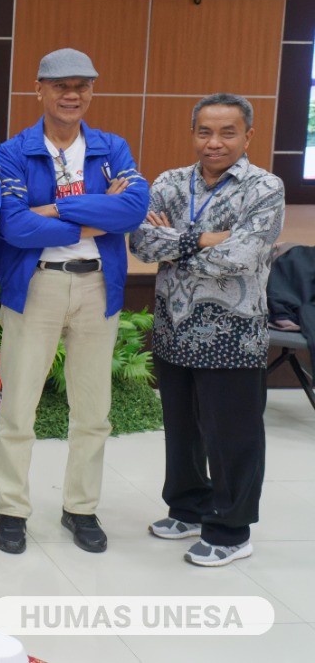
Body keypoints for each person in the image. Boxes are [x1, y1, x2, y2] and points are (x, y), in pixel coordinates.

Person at [0, 48, 148, 555]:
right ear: (39, 89)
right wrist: (96, 214)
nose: (72, 94)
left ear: (92, 91)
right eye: (61, 85)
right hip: (36, 285)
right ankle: (12, 509)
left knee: (93, 411)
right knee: (19, 407)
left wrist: (54, 209)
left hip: (97, 287)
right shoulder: (13, 152)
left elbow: (133, 209)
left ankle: (80, 507)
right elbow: (15, 225)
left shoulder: (111, 147)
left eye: (82, 85)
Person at [130, 93, 284, 567]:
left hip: (232, 333)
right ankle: (188, 508)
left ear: (248, 136)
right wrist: (205, 239)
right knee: (182, 431)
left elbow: (243, 256)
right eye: (205, 132)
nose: (214, 142)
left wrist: (176, 242)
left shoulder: (264, 187)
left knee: (232, 436)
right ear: (193, 133)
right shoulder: (170, 182)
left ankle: (231, 530)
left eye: (227, 133)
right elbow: (141, 243)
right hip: (174, 328)